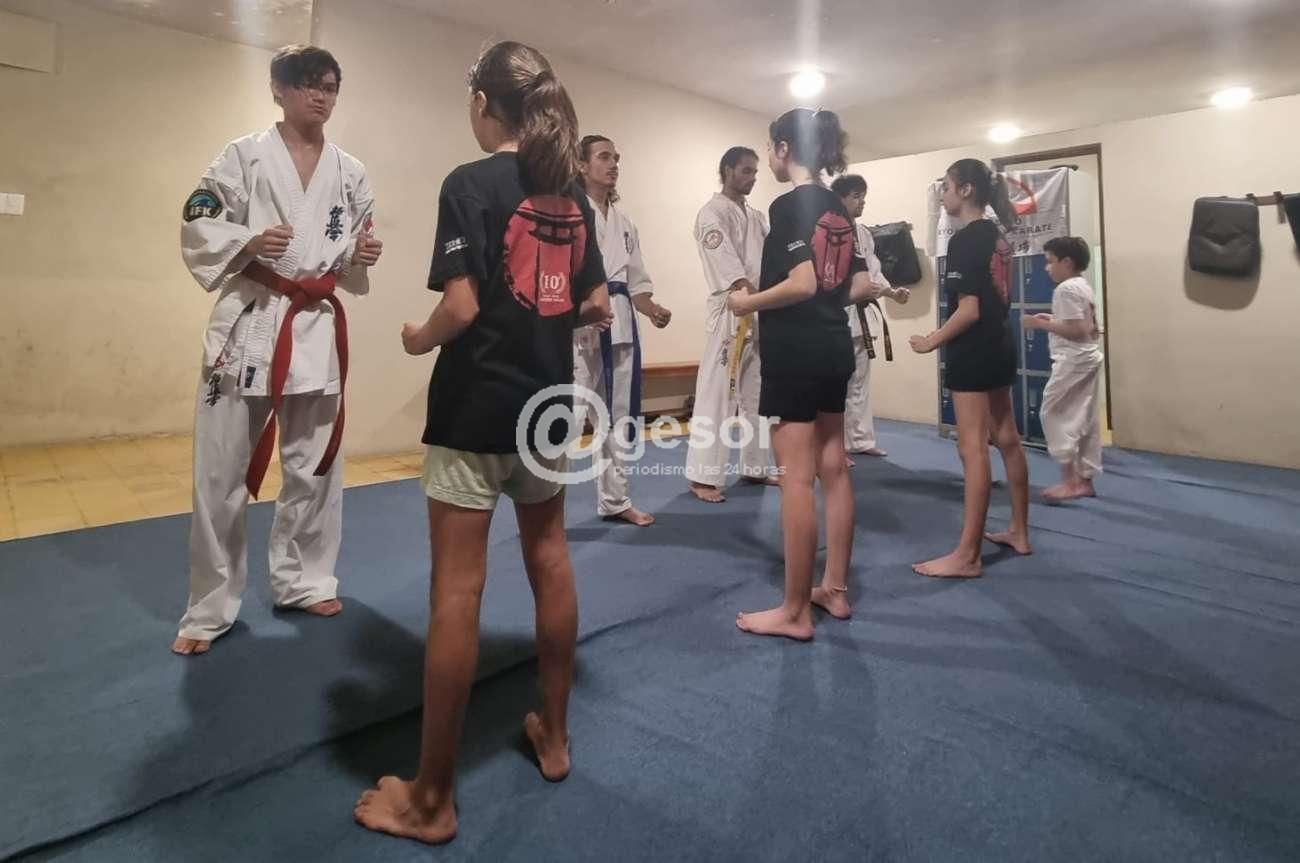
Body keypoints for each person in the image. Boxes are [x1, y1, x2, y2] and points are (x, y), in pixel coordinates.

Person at [354, 41, 610, 845]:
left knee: (458, 589)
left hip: (476, 408)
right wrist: (543, 319)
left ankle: (432, 799)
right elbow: (597, 303)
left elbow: (460, 307)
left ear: (481, 104)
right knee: (551, 558)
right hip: (548, 408)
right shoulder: (570, 192)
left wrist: (415, 337)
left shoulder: (469, 183)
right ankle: (555, 737)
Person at [173, 44, 383, 655]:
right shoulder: (242, 156)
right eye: (308, 84)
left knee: (315, 466)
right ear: (278, 89)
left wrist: (360, 257)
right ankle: (209, 608)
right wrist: (247, 241)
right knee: (220, 474)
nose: (321, 95)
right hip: (251, 321)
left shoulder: (351, 171)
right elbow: (199, 219)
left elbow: (353, 250)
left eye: (330, 86)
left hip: (314, 323)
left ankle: (304, 580)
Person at [726, 108, 884, 640]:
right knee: (833, 466)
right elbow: (857, 285)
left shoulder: (790, 204)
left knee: (795, 477)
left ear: (784, 148)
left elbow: (801, 283)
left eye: (769, 149)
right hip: (835, 346)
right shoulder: (838, 207)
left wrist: (747, 302)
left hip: (797, 350)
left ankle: (794, 611)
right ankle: (833, 589)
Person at [908, 158, 1031, 578]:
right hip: (1000, 344)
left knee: (972, 447)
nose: (943, 195)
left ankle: (968, 555)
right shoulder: (997, 236)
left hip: (974, 350)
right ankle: (1019, 531)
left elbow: (969, 310)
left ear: (965, 191)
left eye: (946, 187)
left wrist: (931, 341)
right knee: (1007, 438)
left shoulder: (966, 240)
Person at [571, 134, 672, 525]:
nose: (613, 164)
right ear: (581, 165)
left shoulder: (625, 224)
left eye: (616, 158)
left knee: (618, 417)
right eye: (604, 157)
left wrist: (652, 309)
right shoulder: (570, 212)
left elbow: (635, 283)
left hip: (622, 325)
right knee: (570, 415)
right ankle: (542, 507)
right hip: (581, 328)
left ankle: (616, 500)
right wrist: (586, 310)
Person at [684, 146, 775, 503]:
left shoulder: (756, 216)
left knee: (757, 393)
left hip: (758, 306)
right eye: (746, 171)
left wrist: (769, 299)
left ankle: (756, 466)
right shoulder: (712, 213)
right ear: (727, 170)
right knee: (718, 393)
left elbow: (769, 262)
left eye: (755, 172)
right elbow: (727, 265)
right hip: (730, 306)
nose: (752, 178)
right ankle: (702, 476)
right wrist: (751, 295)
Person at [830, 174, 911, 463]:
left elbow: (874, 271)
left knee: (860, 383)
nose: (862, 202)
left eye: (863, 196)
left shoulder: (863, 233)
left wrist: (892, 293)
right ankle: (833, 447)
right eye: (856, 196)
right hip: (838, 315)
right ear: (839, 199)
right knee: (835, 386)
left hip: (862, 317)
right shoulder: (828, 231)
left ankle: (860, 439)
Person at [1025, 236, 1104, 501]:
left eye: (1050, 262)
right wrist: (1053, 319)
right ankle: (1085, 479)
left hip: (1073, 361)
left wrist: (1040, 324)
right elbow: (1085, 325)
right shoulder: (1082, 284)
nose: (1047, 268)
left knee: (1053, 412)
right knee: (1085, 418)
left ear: (1067, 262)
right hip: (1087, 357)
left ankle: (1070, 481)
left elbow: (1077, 330)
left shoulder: (1066, 289)